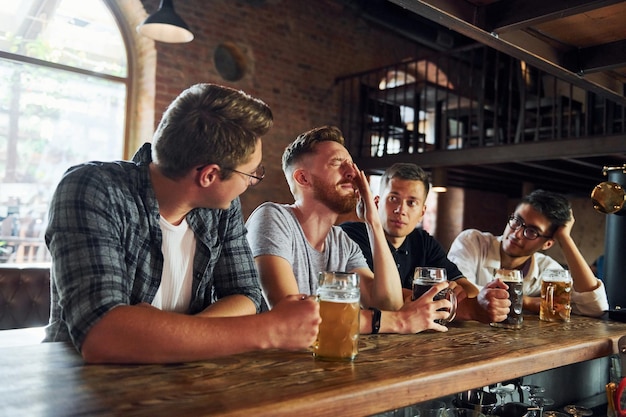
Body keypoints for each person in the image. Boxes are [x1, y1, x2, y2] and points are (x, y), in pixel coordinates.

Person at [44, 83, 321, 364]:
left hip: (187, 381)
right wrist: (271, 331)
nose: (251, 182)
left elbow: (246, 295)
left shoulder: (221, 208)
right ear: (209, 176)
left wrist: (169, 333)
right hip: (81, 386)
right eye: (251, 173)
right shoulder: (92, 189)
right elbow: (102, 335)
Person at [246, 126, 455, 334]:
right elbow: (291, 316)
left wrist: (373, 221)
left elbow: (388, 304)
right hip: (263, 363)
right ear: (303, 178)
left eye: (350, 164)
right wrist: (399, 322)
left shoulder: (342, 242)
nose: (352, 173)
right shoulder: (273, 218)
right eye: (337, 164)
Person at [340, 163, 509, 323]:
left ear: (422, 212)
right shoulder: (352, 235)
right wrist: (445, 297)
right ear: (376, 203)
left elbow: (470, 291)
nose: (401, 210)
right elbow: (386, 300)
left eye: (411, 203)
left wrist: (450, 292)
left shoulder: (423, 241)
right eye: (393, 198)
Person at [448, 189, 609, 317]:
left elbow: (595, 307)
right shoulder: (473, 242)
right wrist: (527, 302)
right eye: (517, 221)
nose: (516, 234)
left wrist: (564, 238)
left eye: (532, 231)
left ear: (547, 243)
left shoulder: (546, 270)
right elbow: (459, 292)